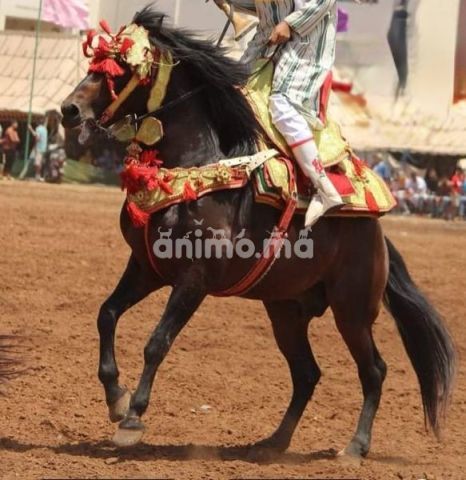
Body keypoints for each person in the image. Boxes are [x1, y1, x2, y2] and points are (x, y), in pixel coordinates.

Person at [215, 0, 345, 226]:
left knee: (281, 104)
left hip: (307, 45)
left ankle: (324, 188)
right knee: (232, 96)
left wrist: (290, 24)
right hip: (265, 42)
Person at [29, 117, 48, 181]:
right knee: (40, 162)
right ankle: (39, 176)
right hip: (43, 148)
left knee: (37, 163)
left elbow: (37, 138)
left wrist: (31, 129)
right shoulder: (45, 129)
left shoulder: (38, 129)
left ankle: (38, 176)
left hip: (39, 148)